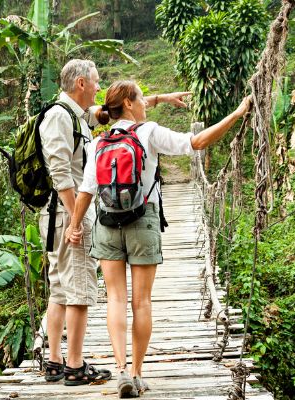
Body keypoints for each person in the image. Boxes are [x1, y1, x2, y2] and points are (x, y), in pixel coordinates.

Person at [64, 80, 250, 397]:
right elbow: (199, 141)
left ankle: (120, 369)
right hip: (142, 220)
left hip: (107, 223)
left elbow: (86, 191)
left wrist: (74, 225)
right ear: (128, 104)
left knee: (116, 300)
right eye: (141, 99)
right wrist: (237, 113)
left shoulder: (99, 142)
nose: (146, 104)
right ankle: (137, 373)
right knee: (142, 301)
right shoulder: (148, 133)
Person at [39, 60, 191, 386]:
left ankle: (55, 362)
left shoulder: (77, 115)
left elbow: (119, 110)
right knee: (78, 290)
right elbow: (62, 175)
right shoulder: (58, 116)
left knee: (61, 288)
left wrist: (161, 100)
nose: (98, 88)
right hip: (67, 212)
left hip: (73, 214)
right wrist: (75, 221)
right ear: (81, 83)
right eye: (94, 82)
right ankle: (75, 367)